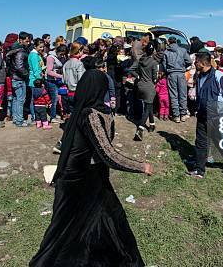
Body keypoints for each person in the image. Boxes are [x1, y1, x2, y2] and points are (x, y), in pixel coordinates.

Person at [29, 69, 153, 267]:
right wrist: (141, 166)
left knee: (109, 218)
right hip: (78, 181)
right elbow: (108, 154)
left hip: (93, 176)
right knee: (67, 230)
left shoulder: (91, 111)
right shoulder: (90, 116)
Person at [188, 51, 223, 178]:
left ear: (203, 63)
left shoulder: (219, 76)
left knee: (220, 141)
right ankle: (200, 169)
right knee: (200, 141)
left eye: (196, 61)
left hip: (216, 116)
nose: (194, 63)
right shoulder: (199, 76)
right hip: (202, 114)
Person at [162, 37, 192, 122]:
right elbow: (189, 61)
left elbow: (164, 66)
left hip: (171, 74)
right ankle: (183, 114)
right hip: (181, 73)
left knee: (173, 95)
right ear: (176, 42)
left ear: (169, 42)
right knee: (183, 94)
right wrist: (184, 68)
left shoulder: (166, 52)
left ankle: (176, 115)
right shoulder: (182, 50)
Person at [6, 32, 32, 127]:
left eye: (29, 41)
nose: (28, 43)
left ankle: (16, 118)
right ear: (20, 40)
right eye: (26, 41)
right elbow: (19, 66)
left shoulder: (15, 50)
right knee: (20, 100)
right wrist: (27, 74)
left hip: (15, 77)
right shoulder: (20, 52)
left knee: (16, 99)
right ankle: (19, 120)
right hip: (19, 78)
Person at [134, 42, 159, 141]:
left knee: (149, 106)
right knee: (147, 108)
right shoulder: (154, 62)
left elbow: (134, 70)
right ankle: (140, 128)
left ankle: (152, 124)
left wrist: (139, 77)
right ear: (153, 52)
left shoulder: (140, 60)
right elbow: (154, 77)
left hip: (140, 86)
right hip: (149, 86)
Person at [45, 44, 67, 123]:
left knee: (56, 98)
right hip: (51, 80)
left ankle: (54, 114)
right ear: (58, 51)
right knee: (54, 99)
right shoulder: (50, 57)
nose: (62, 56)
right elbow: (49, 71)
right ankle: (53, 117)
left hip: (55, 80)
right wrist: (61, 76)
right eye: (61, 54)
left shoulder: (54, 57)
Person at [28, 38, 46, 121]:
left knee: (33, 99)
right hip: (35, 81)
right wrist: (40, 81)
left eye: (42, 47)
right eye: (40, 47)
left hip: (33, 80)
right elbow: (36, 70)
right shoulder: (34, 56)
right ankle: (35, 117)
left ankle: (34, 116)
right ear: (35, 46)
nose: (42, 49)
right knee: (34, 100)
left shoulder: (32, 54)